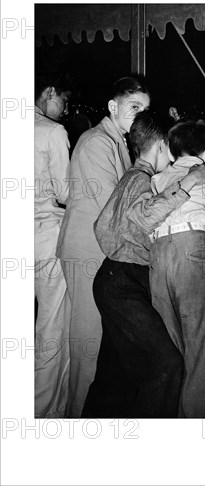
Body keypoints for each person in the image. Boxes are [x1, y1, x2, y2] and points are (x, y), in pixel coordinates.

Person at [82, 112, 205, 417]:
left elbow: (101, 227)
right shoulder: (140, 179)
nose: (172, 157)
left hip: (115, 278)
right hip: (124, 283)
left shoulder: (133, 177)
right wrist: (190, 181)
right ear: (159, 145)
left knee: (114, 374)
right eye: (169, 149)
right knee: (166, 364)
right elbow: (145, 216)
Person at [56, 76, 150, 417]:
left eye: (145, 110)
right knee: (88, 343)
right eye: (134, 107)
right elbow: (113, 202)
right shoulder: (97, 141)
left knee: (96, 342)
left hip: (99, 249)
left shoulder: (119, 142)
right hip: (87, 251)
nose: (140, 115)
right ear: (113, 107)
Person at [149, 119, 205, 418]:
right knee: (203, 358)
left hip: (158, 256)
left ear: (171, 150)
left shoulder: (158, 178)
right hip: (195, 250)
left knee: (172, 352)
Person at [34, 72, 71, 417]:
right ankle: (45, 415)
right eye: (63, 101)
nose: (63, 110)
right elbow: (65, 192)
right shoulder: (51, 131)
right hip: (44, 241)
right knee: (50, 331)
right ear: (49, 93)